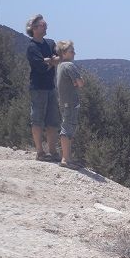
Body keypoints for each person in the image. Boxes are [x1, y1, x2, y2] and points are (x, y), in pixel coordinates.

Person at [26, 14, 61, 161]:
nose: (46, 27)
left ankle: (52, 152)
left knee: (53, 120)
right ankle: (40, 152)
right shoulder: (31, 47)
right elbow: (39, 67)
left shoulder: (50, 43)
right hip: (38, 88)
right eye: (43, 25)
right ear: (34, 28)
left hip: (51, 87)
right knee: (37, 120)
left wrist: (48, 61)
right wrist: (49, 62)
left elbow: (60, 57)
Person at [56, 40, 84, 170]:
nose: (74, 53)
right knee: (67, 128)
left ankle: (67, 158)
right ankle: (66, 159)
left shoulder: (60, 65)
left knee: (67, 126)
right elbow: (80, 83)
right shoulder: (69, 66)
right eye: (71, 51)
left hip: (63, 101)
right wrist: (78, 82)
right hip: (71, 102)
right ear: (64, 53)